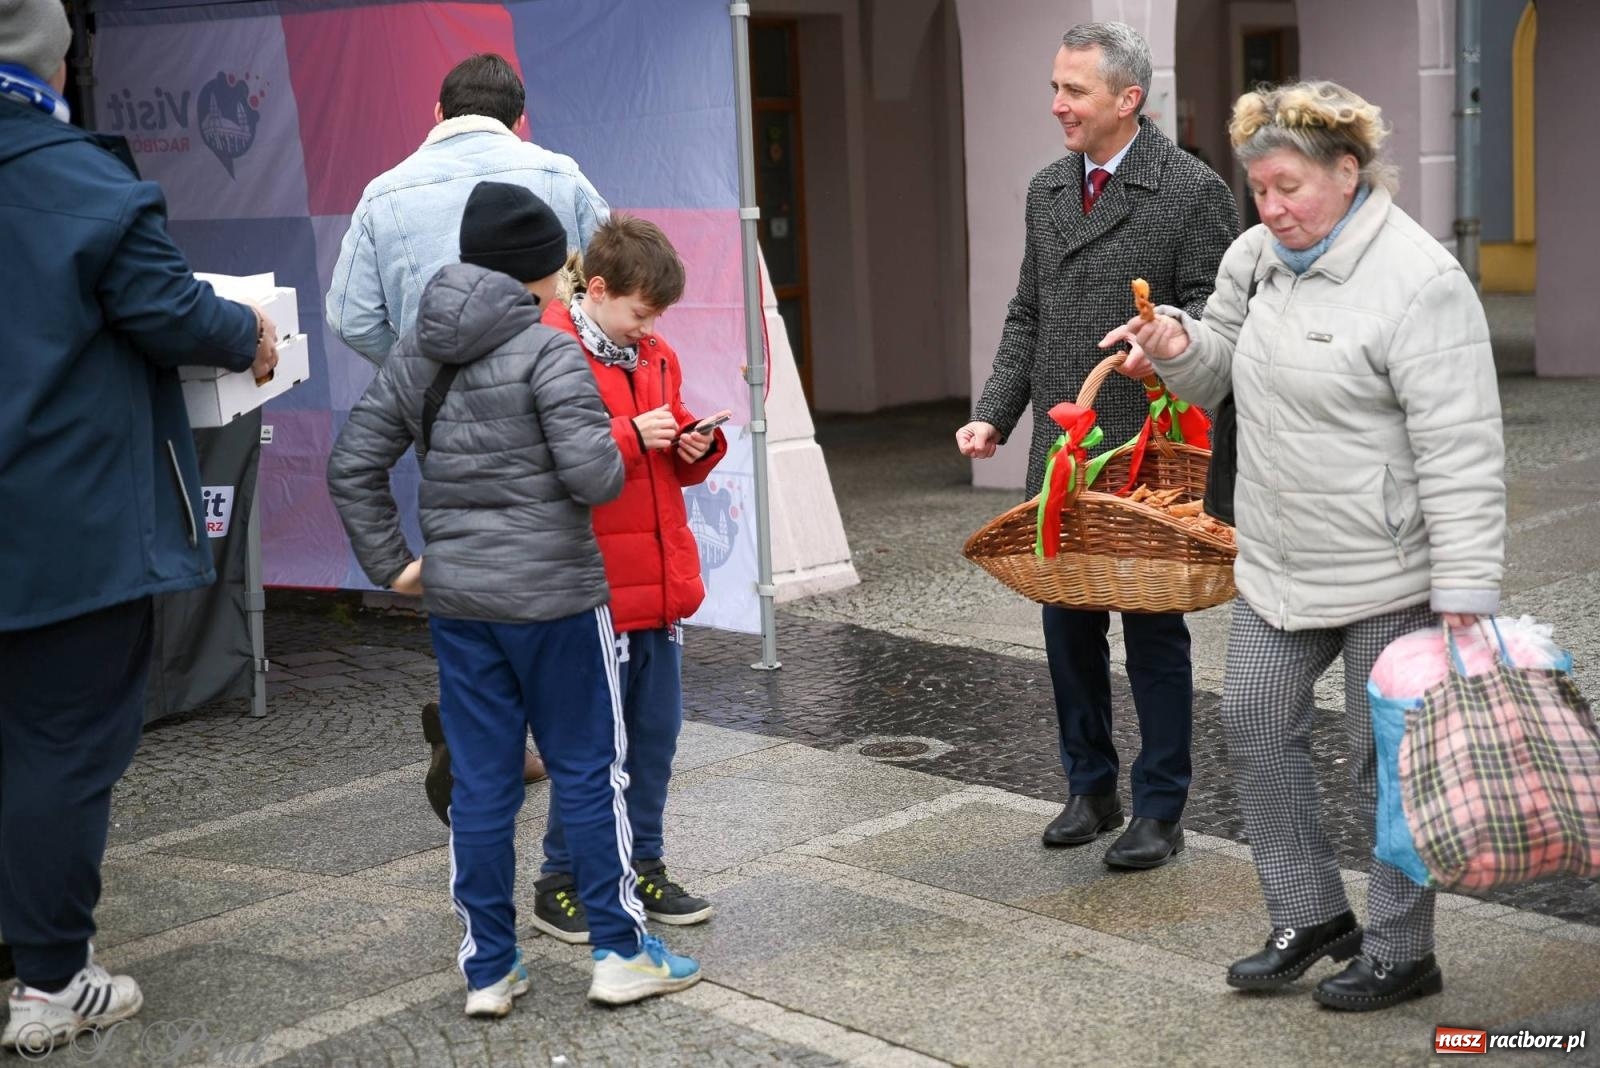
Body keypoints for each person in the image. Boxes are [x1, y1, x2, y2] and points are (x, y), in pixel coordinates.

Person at [1102, 81, 1503, 1011]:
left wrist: (1465, 592)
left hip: (1385, 571)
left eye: (1289, 187)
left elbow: (1463, 449)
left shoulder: (1421, 281)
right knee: (1252, 726)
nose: (1272, 208)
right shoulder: (1256, 258)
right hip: (1277, 561)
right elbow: (1219, 380)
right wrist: (1172, 340)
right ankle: (1310, 913)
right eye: (1260, 189)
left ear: (1348, 171)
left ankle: (1403, 949)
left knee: (1383, 765)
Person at [326, 182, 702, 1017]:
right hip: (561, 602)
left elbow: (352, 464)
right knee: (587, 771)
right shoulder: (548, 350)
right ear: (543, 276)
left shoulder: (419, 352)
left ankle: (489, 970)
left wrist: (397, 566)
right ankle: (617, 952)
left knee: (485, 784)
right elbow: (595, 476)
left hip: (461, 606)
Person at [0, 0, 278, 1049]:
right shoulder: (77, 179)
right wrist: (245, 327)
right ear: (55, 63)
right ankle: (51, 982)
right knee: (61, 745)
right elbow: (171, 312)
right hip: (63, 526)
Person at [955, 21, 1237, 868]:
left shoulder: (1191, 189)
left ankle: (1160, 804)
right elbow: (1027, 313)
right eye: (1056, 87)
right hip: (1063, 445)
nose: (1057, 106)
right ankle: (1089, 786)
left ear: (1128, 99)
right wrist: (995, 414)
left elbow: (1217, 317)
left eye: (1074, 91)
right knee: (1066, 620)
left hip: (1147, 444)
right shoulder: (1047, 188)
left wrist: (1162, 345)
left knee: (1153, 628)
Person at [325, 51, 609, 791]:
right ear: (520, 120)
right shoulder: (556, 172)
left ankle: (477, 723)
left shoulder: (383, 193)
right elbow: (607, 288)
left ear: (435, 114)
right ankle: (519, 733)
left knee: (465, 561)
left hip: (440, 419)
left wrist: (428, 380)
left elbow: (350, 315)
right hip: (549, 401)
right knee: (548, 571)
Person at [503, 217, 727, 942]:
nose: (650, 326)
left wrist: (698, 442)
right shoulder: (549, 353)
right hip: (591, 590)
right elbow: (554, 462)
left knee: (655, 737)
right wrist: (635, 437)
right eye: (640, 311)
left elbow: (674, 442)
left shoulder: (655, 354)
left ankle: (643, 865)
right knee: (593, 745)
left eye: (657, 314)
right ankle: (560, 881)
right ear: (595, 291)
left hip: (658, 585)